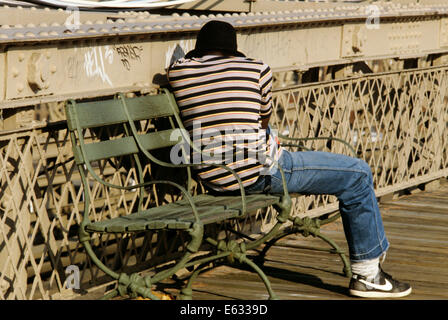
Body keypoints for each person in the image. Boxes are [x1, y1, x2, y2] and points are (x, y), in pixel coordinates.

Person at [167, 20, 412, 298]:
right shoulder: (256, 69)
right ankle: (368, 275)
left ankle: (372, 268)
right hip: (256, 174)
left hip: (213, 178)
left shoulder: (180, 73)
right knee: (358, 174)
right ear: (234, 51)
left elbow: (177, 61)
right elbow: (262, 120)